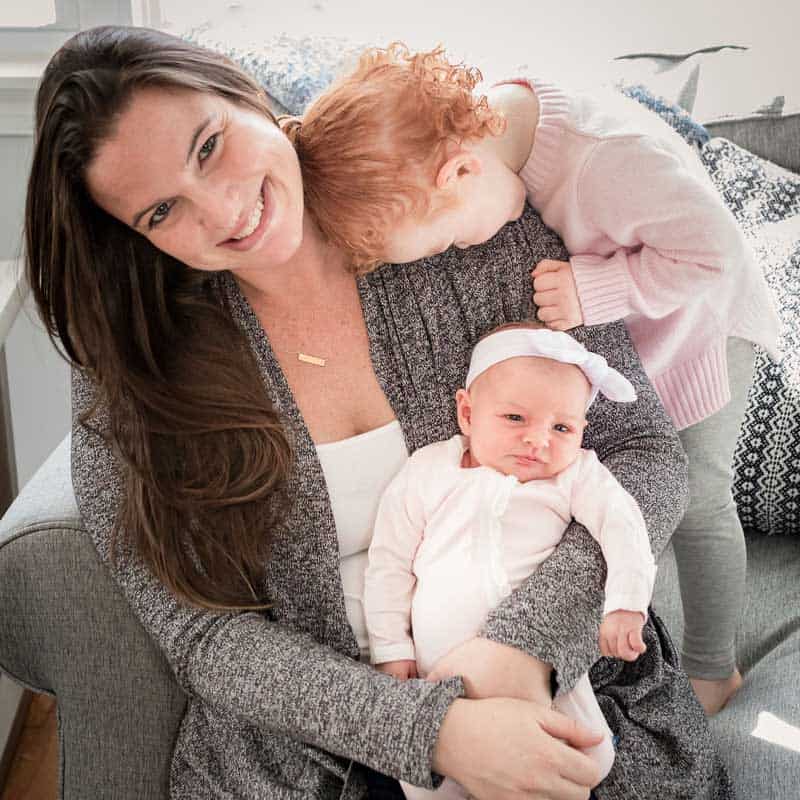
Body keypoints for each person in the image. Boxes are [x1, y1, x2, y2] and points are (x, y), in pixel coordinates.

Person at [25, 25, 732, 800]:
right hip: (305, 752)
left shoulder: (440, 196)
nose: (225, 211)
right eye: (162, 212)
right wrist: (432, 732)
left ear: (243, 95)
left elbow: (642, 451)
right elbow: (200, 629)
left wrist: (523, 648)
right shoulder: (136, 357)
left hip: (563, 689)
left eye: (209, 147)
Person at [284, 42, 781, 714]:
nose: (466, 254)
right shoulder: (490, 131)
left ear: (460, 168)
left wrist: (594, 288)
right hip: (643, 315)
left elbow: (717, 257)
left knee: (698, 497)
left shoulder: (605, 157)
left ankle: (714, 667)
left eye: (450, 242)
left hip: (703, 326)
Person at [364, 323, 656, 797]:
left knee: (589, 760)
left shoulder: (575, 474)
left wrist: (626, 602)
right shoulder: (427, 470)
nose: (538, 442)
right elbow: (389, 564)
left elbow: (624, 527)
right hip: (437, 678)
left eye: (561, 427)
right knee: (432, 784)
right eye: (516, 418)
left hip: (539, 665)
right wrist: (390, 651)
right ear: (467, 412)